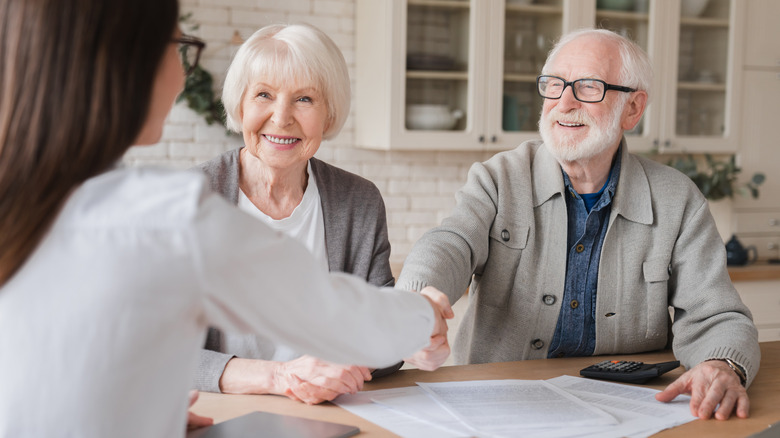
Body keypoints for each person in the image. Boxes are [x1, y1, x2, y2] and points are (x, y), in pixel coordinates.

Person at [0, 0, 453, 436]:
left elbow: (74, 363)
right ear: (126, 65)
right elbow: (328, 311)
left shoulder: (32, 200)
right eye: (177, 47)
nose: (182, 73)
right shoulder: (169, 216)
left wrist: (144, 410)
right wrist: (425, 315)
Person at [398, 28, 760, 421]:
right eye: (554, 86)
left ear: (633, 109)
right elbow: (450, 242)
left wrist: (723, 365)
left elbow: (718, 316)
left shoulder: (679, 199)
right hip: (500, 406)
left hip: (631, 411)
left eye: (588, 87)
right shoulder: (499, 178)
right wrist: (416, 302)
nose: (563, 103)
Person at [193, 23, 413, 404]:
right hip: (218, 412)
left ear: (329, 115)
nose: (281, 118)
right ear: (241, 105)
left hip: (328, 414)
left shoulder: (358, 201)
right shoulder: (188, 204)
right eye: (264, 94)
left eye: (305, 99)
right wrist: (281, 376)